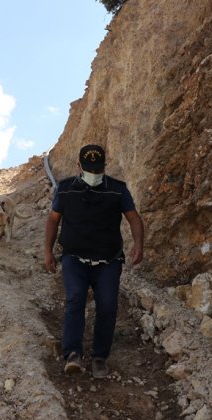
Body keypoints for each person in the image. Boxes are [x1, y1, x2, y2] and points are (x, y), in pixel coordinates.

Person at [43, 144, 144, 378]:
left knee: (107, 305)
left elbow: (134, 218)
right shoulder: (66, 189)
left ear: (104, 167)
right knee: (75, 298)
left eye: (98, 170)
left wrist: (139, 245)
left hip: (108, 261)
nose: (94, 174)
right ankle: (73, 354)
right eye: (90, 169)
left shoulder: (117, 190)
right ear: (79, 167)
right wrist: (48, 251)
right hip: (74, 258)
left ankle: (100, 357)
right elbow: (52, 220)